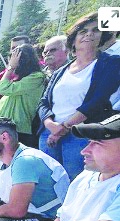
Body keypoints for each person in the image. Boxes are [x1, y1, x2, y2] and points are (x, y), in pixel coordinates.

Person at [38, 12, 120, 181]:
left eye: (95, 30)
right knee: (47, 181)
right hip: (49, 133)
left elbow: (97, 101)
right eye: (83, 31)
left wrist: (65, 127)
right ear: (73, 40)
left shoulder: (111, 63)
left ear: (102, 37)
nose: (89, 34)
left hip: (81, 135)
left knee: (76, 181)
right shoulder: (61, 71)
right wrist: (51, 125)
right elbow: (44, 102)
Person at [0, 44, 46, 148]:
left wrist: (11, 68)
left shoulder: (37, 77)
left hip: (20, 129)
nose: (11, 61)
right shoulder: (19, 78)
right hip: (4, 126)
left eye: (14, 58)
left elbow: (1, 88)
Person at [0, 36, 31, 119]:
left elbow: (1, 89)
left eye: (19, 48)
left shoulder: (33, 75)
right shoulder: (3, 74)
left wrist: (11, 67)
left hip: (18, 124)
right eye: (13, 48)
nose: (15, 51)